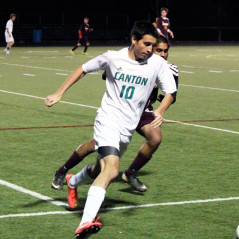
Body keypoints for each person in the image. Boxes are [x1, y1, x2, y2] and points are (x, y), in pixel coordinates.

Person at [45, 22, 177, 238]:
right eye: (146, 44)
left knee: (99, 170)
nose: (150, 50)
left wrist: (160, 110)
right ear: (134, 39)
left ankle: (73, 180)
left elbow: (170, 91)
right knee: (112, 169)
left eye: (153, 46)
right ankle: (86, 222)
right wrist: (59, 93)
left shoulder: (157, 64)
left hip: (127, 127)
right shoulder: (113, 57)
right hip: (108, 120)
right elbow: (82, 69)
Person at [51, 35, 178, 193]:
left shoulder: (170, 69)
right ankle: (63, 170)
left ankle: (130, 173)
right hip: (120, 110)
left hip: (144, 112)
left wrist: (160, 110)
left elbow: (171, 95)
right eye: (159, 50)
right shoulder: (131, 61)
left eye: (166, 51)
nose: (163, 54)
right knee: (93, 146)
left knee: (156, 138)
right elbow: (109, 74)